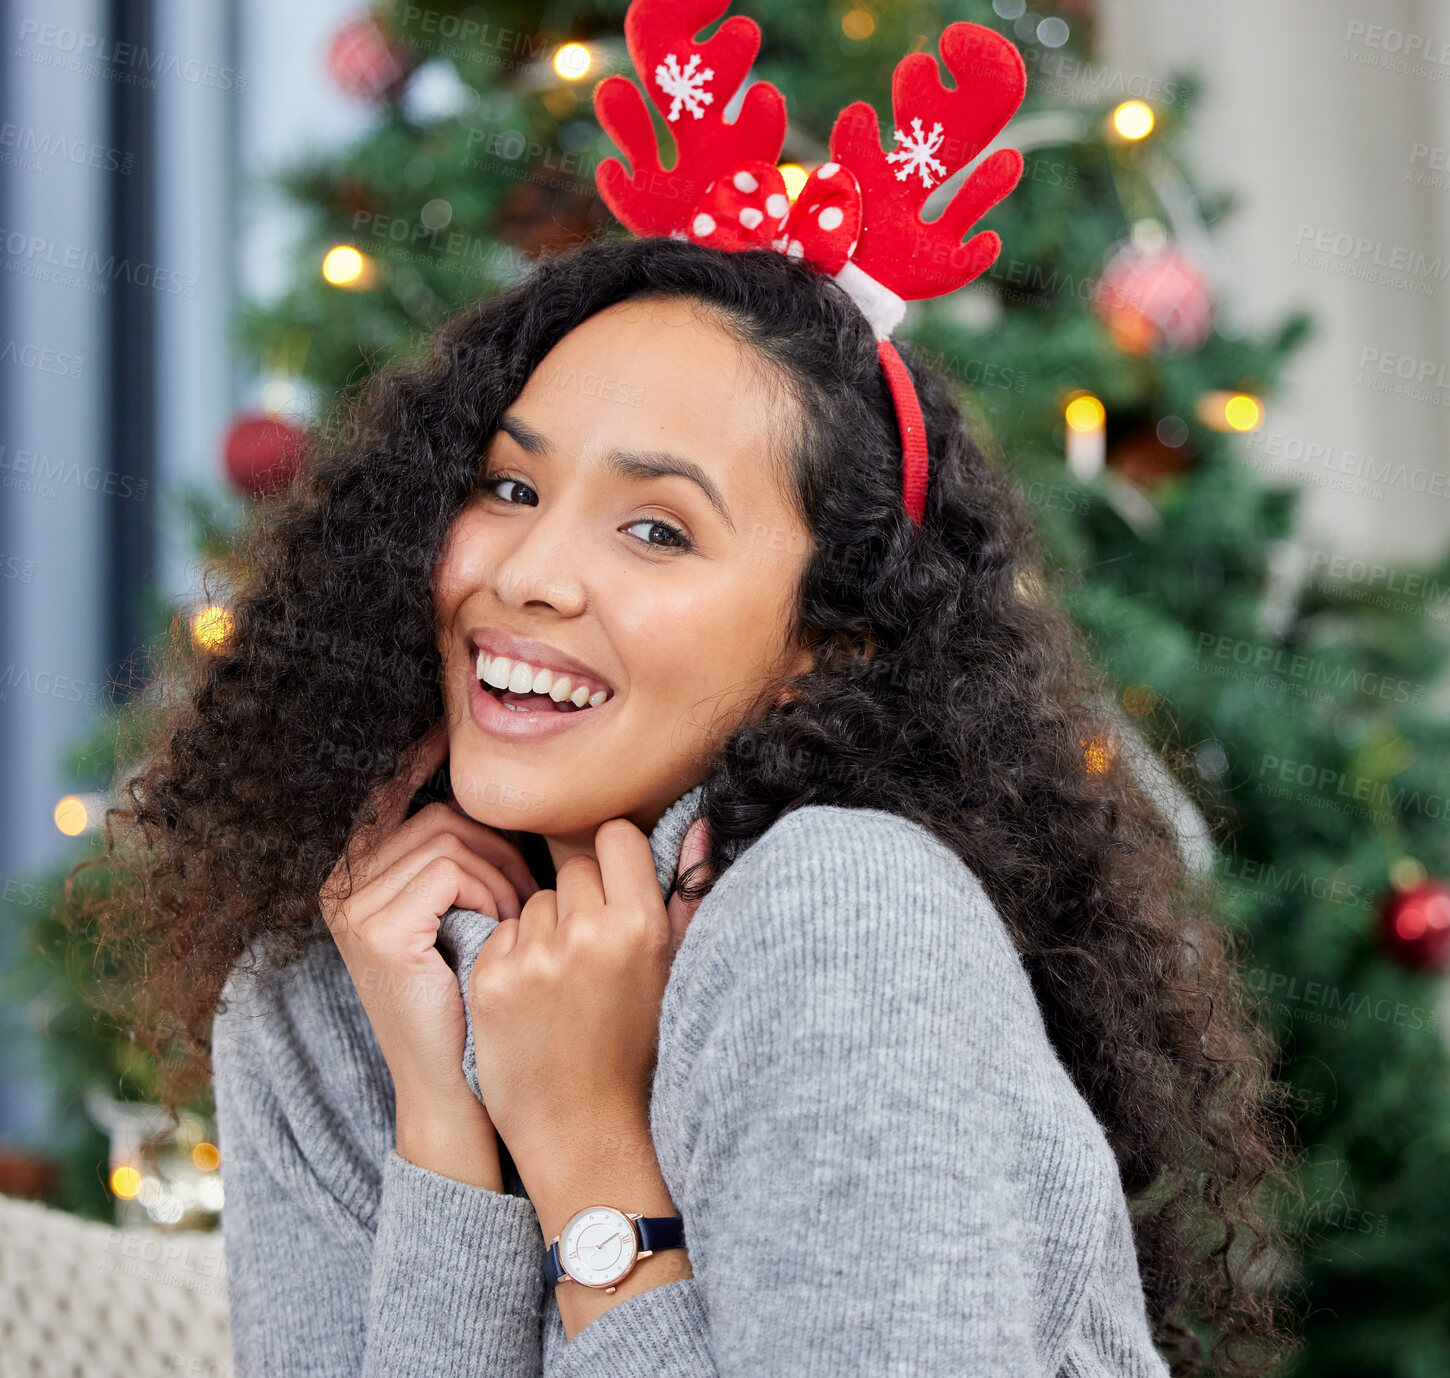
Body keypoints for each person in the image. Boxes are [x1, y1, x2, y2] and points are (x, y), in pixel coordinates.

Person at [80, 8, 1300, 1375]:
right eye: (509, 485)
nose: (530, 574)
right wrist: (448, 1132)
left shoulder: (843, 919)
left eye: (657, 528)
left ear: (826, 642)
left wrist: (584, 1148)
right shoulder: (323, 1002)